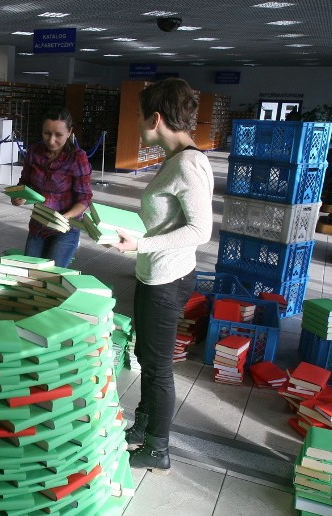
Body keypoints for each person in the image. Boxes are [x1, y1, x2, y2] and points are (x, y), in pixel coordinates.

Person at [110, 78, 214, 474]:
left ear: (156, 119)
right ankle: (144, 428)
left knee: (156, 368)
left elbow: (200, 232)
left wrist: (142, 245)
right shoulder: (179, 160)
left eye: (139, 116)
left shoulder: (187, 164)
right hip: (158, 273)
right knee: (145, 356)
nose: (136, 123)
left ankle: (158, 448)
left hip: (165, 280)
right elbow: (168, 222)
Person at [10, 107, 92, 268]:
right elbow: (25, 181)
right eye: (47, 133)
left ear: (69, 133)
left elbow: (84, 198)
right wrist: (18, 196)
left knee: (51, 277)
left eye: (58, 135)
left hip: (65, 228)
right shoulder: (34, 151)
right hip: (38, 225)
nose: (51, 140)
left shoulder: (77, 157)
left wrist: (65, 217)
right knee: (29, 273)